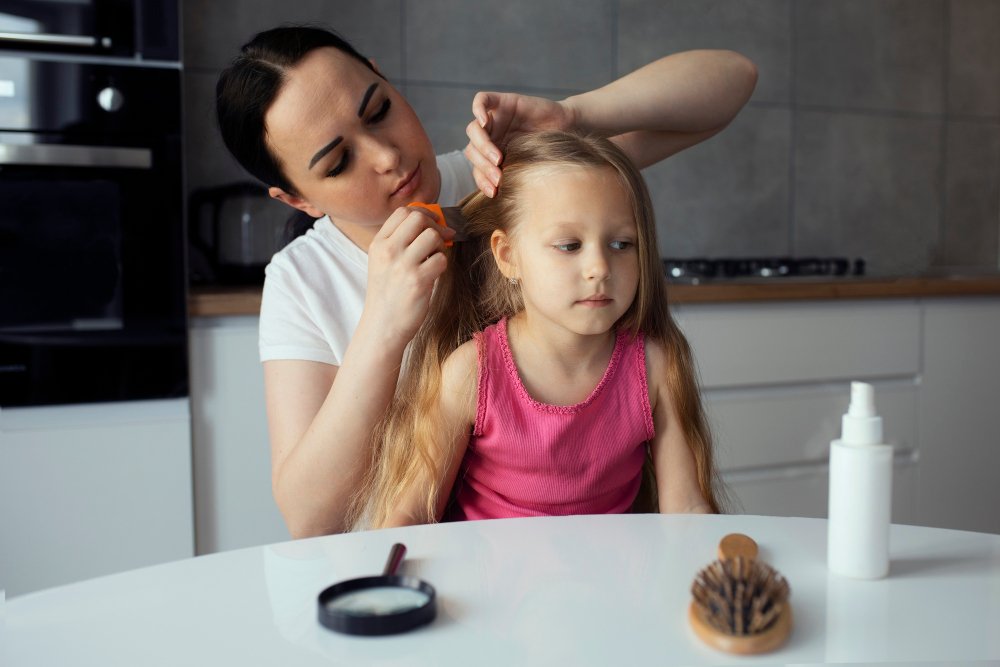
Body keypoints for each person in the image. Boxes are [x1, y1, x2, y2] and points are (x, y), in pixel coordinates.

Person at [215, 24, 756, 537]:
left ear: (386, 78)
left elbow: (733, 81)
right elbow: (310, 521)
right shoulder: (301, 281)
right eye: (338, 163)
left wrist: (573, 116)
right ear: (299, 200)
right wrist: (382, 325)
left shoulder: (500, 181)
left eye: (379, 110)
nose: (387, 156)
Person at [357, 130, 723, 529]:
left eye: (621, 244)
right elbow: (412, 513)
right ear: (508, 256)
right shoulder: (472, 374)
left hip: (612, 583)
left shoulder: (654, 367)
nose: (600, 268)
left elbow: (686, 510)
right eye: (569, 245)